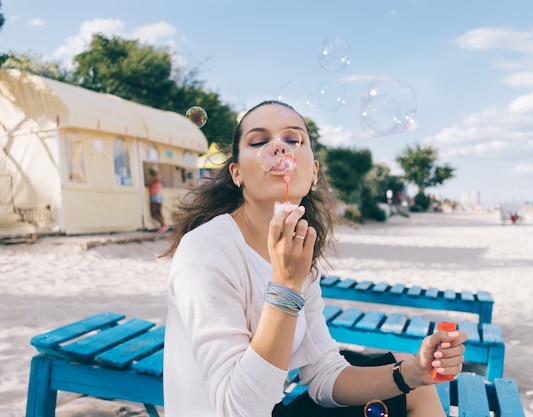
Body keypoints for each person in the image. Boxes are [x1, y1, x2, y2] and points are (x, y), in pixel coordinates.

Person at [161, 100, 467, 417]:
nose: (278, 148)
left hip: (268, 408)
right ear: (236, 173)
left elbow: (325, 374)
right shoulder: (205, 249)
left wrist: (414, 373)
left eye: (293, 140)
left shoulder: (297, 251)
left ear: (313, 173)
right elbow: (238, 409)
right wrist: (286, 286)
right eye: (259, 141)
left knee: (409, 376)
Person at [147, 166, 169, 233]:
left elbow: (148, 184)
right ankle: (164, 226)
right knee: (159, 212)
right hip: (159, 196)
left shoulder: (154, 177)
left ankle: (164, 225)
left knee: (153, 213)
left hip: (155, 196)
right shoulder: (159, 176)